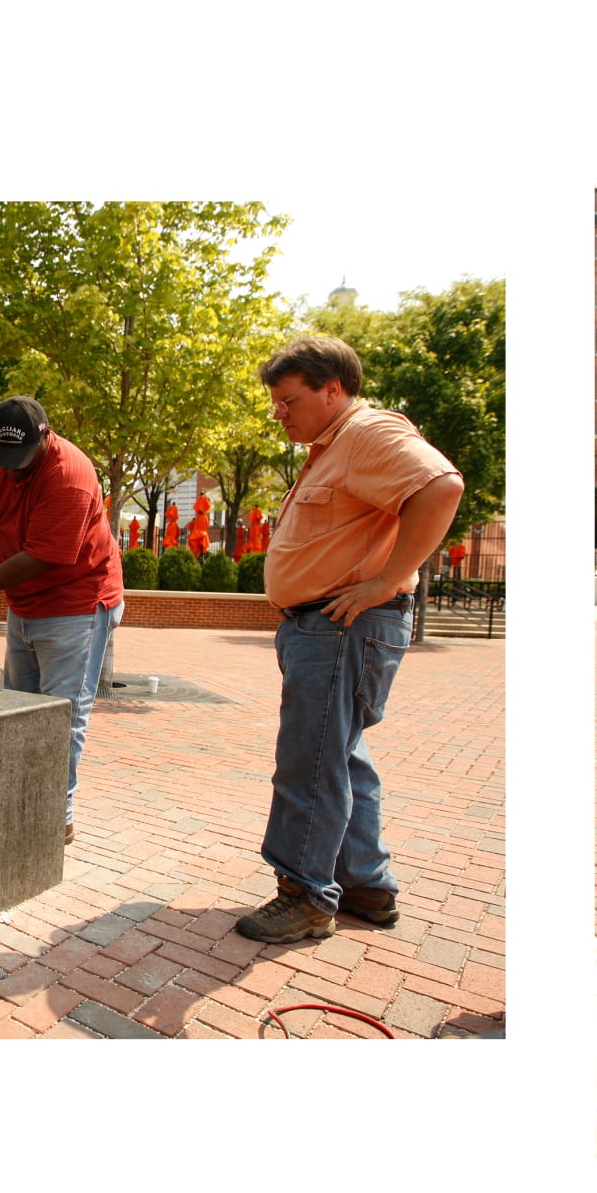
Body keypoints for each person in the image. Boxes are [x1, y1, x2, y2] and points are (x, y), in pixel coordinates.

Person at [235, 335, 463, 944]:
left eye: (288, 400)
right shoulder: (333, 445)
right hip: (327, 629)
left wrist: (386, 581)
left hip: (342, 628)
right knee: (338, 755)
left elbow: (442, 487)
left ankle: (306, 896)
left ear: (332, 390)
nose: (278, 413)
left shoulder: (366, 433)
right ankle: (365, 884)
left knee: (310, 761)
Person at [0, 396, 125, 843]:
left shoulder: (70, 476)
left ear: (45, 437)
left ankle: (54, 818)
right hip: (24, 604)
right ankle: (20, 803)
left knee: (59, 715)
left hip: (77, 604)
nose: (11, 471)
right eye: (4, 460)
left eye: (21, 461)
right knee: (18, 707)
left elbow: (42, 557)